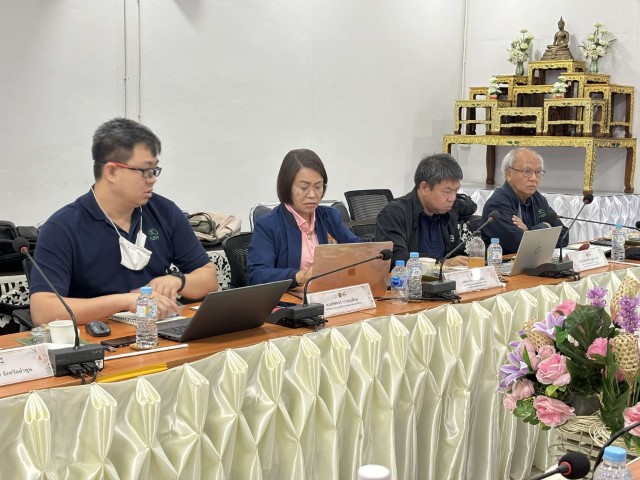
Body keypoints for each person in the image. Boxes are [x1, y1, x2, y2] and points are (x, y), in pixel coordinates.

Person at [29, 118, 218, 325]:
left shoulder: (164, 212)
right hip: (97, 337)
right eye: (145, 171)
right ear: (112, 172)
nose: (152, 179)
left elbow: (209, 279)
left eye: (154, 170)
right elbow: (43, 312)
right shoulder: (62, 227)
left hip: (156, 331)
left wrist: (178, 281)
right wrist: (126, 301)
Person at [247, 149, 361, 286]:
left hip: (330, 292)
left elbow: (360, 251)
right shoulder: (268, 225)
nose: (312, 194)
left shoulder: (330, 217)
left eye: (318, 187)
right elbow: (257, 275)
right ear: (287, 187)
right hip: (291, 297)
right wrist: (299, 276)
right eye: (303, 187)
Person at [375, 153, 476, 266]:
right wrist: (441, 263)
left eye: (456, 191)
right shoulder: (394, 214)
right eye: (447, 192)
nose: (452, 198)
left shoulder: (447, 213)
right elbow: (396, 257)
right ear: (424, 188)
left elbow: (455, 253)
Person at [480, 148, 568, 254]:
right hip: (502, 263)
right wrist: (546, 226)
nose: (534, 178)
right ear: (508, 174)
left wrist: (528, 231)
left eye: (538, 172)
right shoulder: (497, 204)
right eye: (527, 171)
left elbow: (564, 237)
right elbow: (520, 244)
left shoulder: (537, 198)